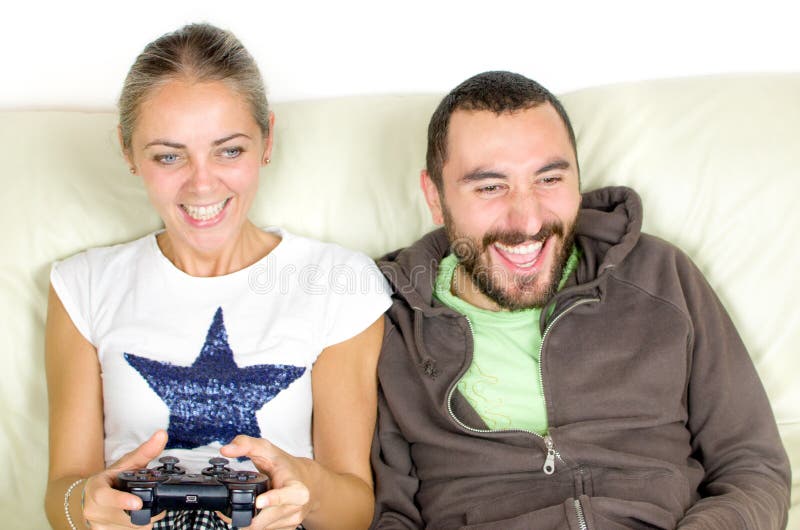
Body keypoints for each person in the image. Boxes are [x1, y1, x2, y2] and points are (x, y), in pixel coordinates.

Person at [370, 71, 791, 529]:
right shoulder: (386, 320)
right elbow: (388, 513)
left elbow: (753, 467)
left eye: (549, 178)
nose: (528, 221)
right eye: (490, 187)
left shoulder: (660, 277)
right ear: (435, 196)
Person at [44, 23, 390, 530]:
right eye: (168, 155)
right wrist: (87, 504)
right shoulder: (82, 286)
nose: (202, 183)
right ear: (127, 151)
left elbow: (355, 508)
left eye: (230, 150)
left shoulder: (340, 281)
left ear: (267, 140)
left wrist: (305, 490)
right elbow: (62, 496)